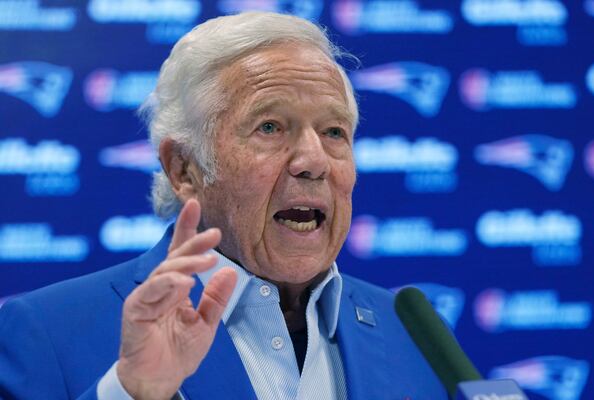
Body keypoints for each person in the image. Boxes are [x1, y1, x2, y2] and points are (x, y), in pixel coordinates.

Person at [0, 11, 447, 400]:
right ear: (185, 169)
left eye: (334, 132)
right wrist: (130, 394)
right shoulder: (46, 332)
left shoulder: (415, 333)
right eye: (270, 126)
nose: (314, 161)